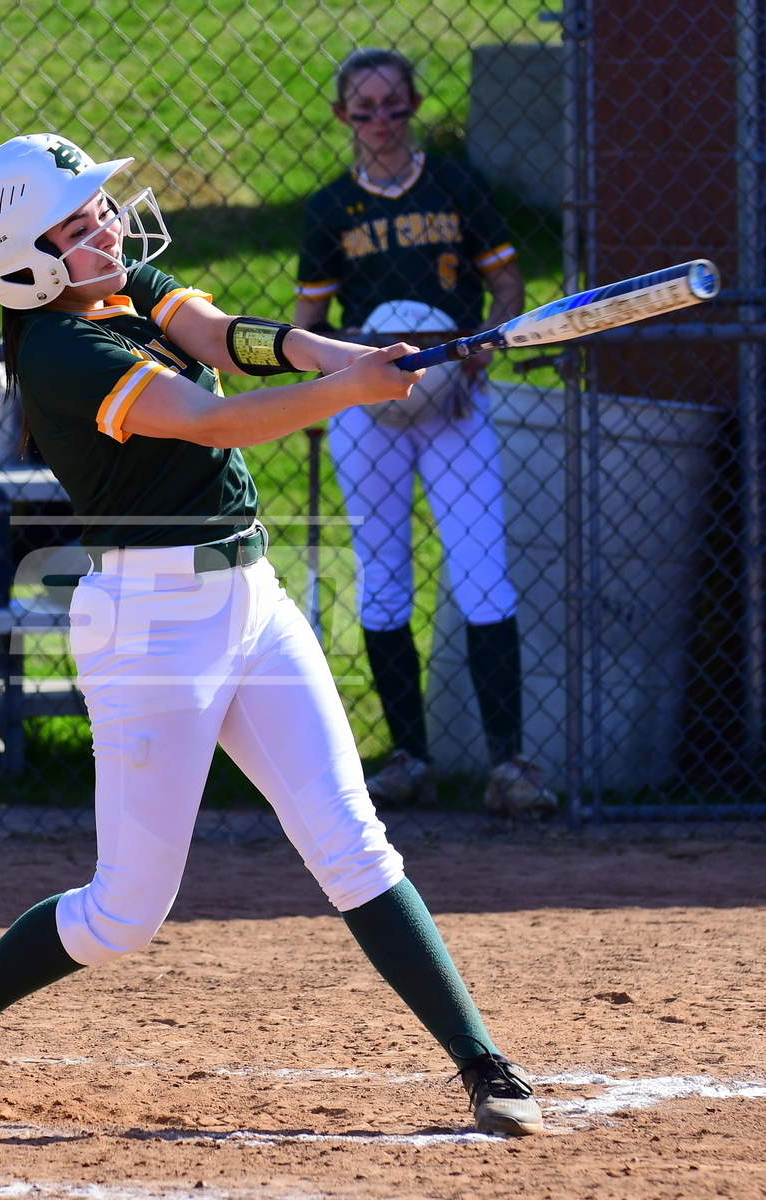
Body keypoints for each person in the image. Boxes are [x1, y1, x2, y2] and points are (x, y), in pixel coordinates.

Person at [0, 132, 544, 1137]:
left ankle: (481, 1062)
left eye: (99, 209)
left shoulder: (118, 288)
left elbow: (226, 336)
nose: (107, 228)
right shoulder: (60, 352)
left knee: (352, 844)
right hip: (148, 629)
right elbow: (209, 419)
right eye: (77, 224)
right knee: (124, 912)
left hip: (251, 600)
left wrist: (336, 354)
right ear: (25, 262)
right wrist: (345, 392)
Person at [294, 48, 557, 817]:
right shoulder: (329, 208)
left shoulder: (455, 185)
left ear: (412, 105)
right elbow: (307, 320)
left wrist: (483, 344)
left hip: (453, 404)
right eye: (362, 108)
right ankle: (409, 758)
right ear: (342, 116)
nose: (379, 120)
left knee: (481, 572)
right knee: (382, 574)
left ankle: (508, 766)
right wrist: (329, 378)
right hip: (367, 412)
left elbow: (505, 280)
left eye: (392, 104)